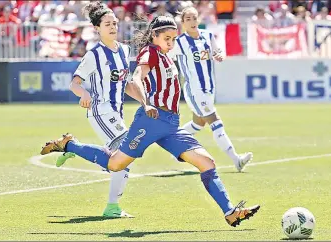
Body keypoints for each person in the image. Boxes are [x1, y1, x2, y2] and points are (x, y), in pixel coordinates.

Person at [40, 15, 260, 227]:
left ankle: (229, 212)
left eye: (174, 39)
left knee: (207, 162)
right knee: (116, 164)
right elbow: (137, 77)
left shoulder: (166, 55)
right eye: (167, 38)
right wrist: (146, 104)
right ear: (154, 36)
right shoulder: (150, 52)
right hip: (151, 120)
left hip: (171, 124)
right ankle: (70, 145)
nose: (171, 42)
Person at [52, 1, 146, 218]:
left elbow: (127, 84)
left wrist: (144, 101)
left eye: (114, 23)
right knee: (124, 156)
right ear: (97, 28)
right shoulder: (94, 54)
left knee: (120, 159)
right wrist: (83, 93)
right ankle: (112, 207)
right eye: (107, 24)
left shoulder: (123, 50)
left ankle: (71, 146)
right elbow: (74, 83)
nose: (113, 27)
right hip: (100, 111)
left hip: (116, 112)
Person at [170, 7, 252, 172]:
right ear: (183, 23)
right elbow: (166, 58)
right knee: (215, 121)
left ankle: (171, 139)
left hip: (208, 88)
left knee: (198, 123)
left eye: (194, 18)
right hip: (194, 89)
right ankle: (236, 159)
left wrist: (219, 55)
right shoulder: (179, 42)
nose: (192, 22)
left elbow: (217, 50)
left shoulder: (207, 36)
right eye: (188, 19)